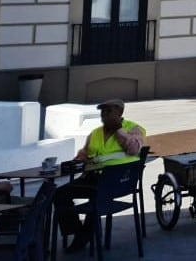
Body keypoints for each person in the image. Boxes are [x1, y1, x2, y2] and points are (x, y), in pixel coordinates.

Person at [53, 99, 145, 254]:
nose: (104, 115)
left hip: (118, 181)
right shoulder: (95, 133)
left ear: (119, 113)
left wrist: (118, 129)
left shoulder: (134, 128)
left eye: (109, 111)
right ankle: (78, 232)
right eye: (103, 112)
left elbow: (133, 149)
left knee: (97, 198)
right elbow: (84, 155)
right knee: (59, 194)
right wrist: (75, 162)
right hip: (92, 178)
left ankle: (83, 237)